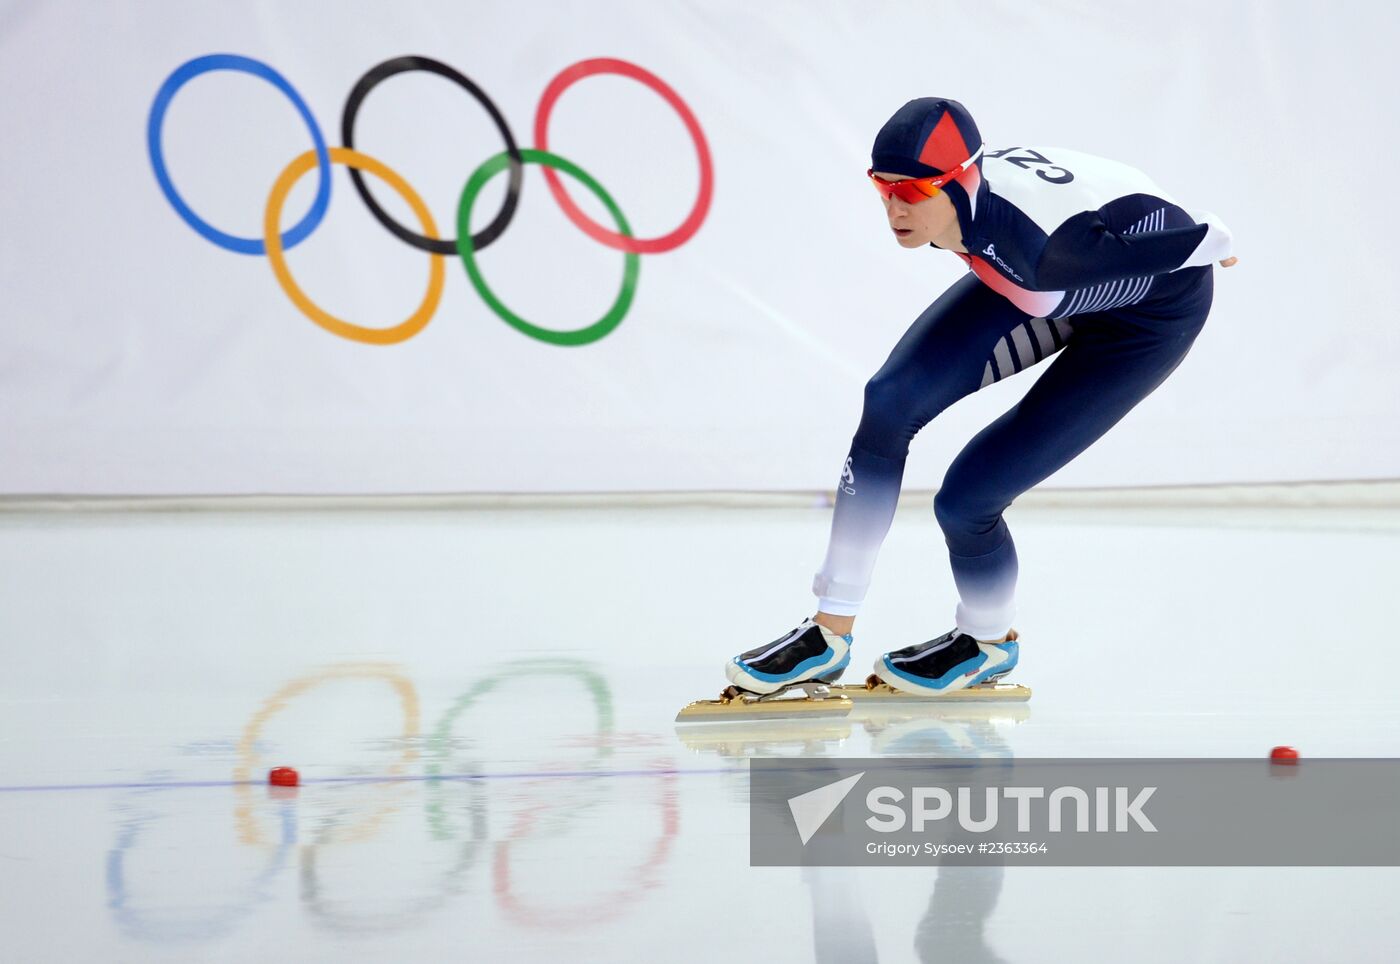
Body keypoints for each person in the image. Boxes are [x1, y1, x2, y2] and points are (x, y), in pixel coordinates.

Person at [725, 97, 1236, 698]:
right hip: (1044, 280)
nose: (894, 208)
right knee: (888, 401)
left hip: (1143, 318)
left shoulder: (1042, 251)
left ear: (961, 180)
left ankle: (989, 642)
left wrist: (1215, 236)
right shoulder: (972, 210)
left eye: (913, 193)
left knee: (967, 499)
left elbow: (1196, 234)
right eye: (882, 188)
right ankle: (828, 633)